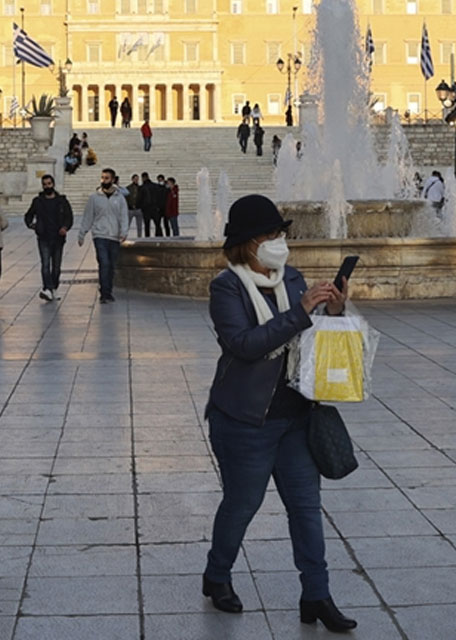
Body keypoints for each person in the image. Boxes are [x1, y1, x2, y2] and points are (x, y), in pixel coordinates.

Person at [201, 194, 356, 633]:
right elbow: (246, 345)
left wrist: (333, 308)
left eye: (280, 234)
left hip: (296, 414)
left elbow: (311, 335)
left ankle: (317, 595)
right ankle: (217, 575)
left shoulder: (292, 279)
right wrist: (300, 311)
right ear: (248, 243)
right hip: (245, 418)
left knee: (306, 507)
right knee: (242, 503)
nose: (278, 242)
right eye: (270, 235)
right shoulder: (226, 287)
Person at [76, 168, 130, 304]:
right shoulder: (94, 198)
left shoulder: (120, 198)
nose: (104, 180)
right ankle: (104, 293)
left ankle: (108, 289)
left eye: (106, 178)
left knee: (111, 265)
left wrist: (124, 232)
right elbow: (88, 216)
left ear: (112, 180)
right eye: (102, 177)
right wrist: (82, 233)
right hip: (99, 235)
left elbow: (124, 216)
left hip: (114, 235)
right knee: (104, 262)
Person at [25, 174, 74, 302]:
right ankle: (48, 288)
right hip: (44, 237)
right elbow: (28, 215)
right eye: (45, 184)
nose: (47, 186)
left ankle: (53, 288)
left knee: (56, 266)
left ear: (53, 184)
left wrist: (65, 227)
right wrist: (31, 225)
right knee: (45, 264)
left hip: (58, 237)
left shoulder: (62, 201)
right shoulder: (38, 201)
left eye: (49, 184)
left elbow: (69, 216)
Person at [140, 171, 164, 237]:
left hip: (146, 209)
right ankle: (159, 237)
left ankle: (147, 238)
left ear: (143, 178)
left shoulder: (142, 187)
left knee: (147, 225)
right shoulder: (155, 186)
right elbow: (160, 197)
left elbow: (140, 199)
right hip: (155, 208)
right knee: (157, 224)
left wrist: (141, 207)